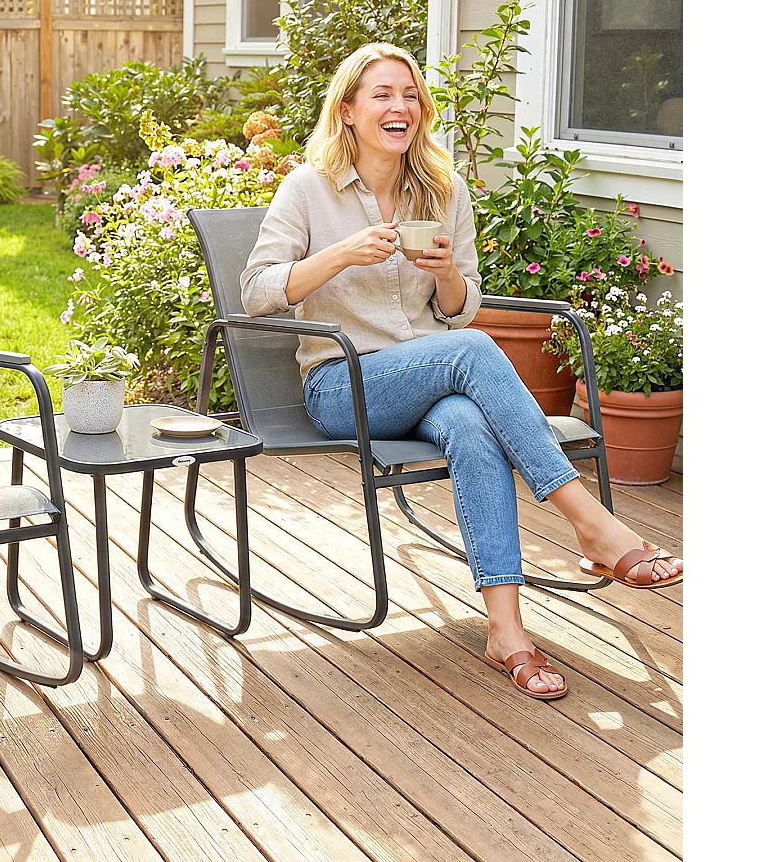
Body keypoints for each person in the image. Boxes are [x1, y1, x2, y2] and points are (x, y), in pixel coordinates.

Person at [241, 42, 681, 701]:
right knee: (472, 350)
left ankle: (506, 631)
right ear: (351, 110)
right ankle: (588, 521)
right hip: (344, 383)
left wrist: (444, 271)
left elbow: (460, 305)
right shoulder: (308, 187)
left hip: (427, 376)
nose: (400, 106)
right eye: (382, 94)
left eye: (410, 94)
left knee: (472, 424)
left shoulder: (444, 189)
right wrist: (340, 255)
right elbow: (255, 291)